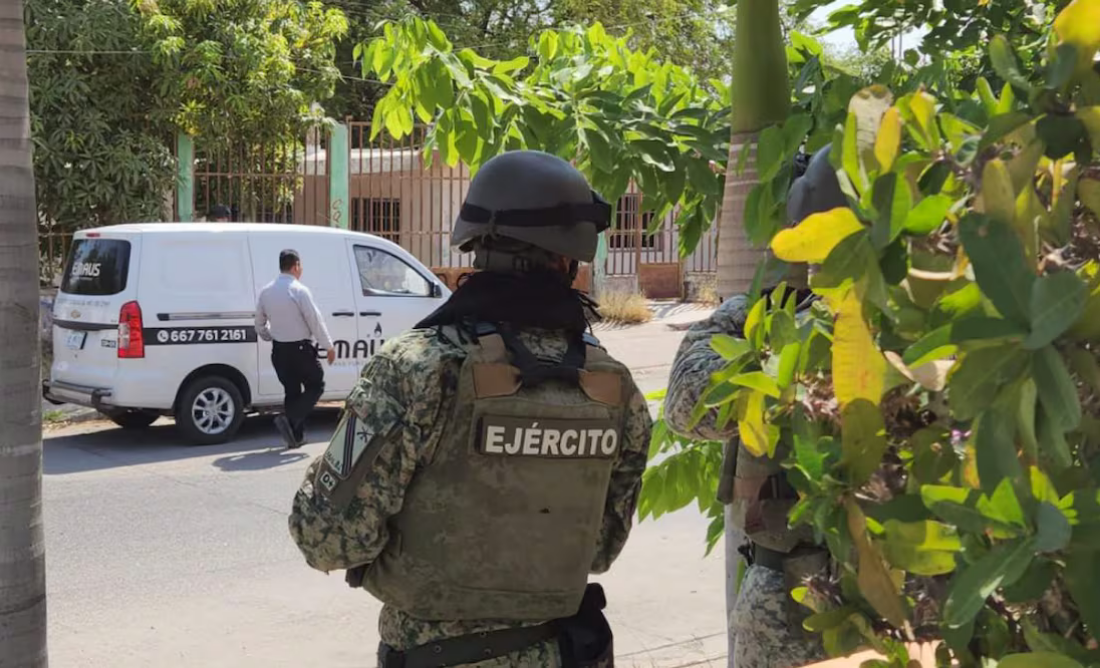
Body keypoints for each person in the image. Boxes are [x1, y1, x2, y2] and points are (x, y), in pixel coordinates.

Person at [287, 149, 653, 667]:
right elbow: (600, 550)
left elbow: (327, 538)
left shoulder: (418, 368)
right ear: (569, 257)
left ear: (477, 244)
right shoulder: (612, 386)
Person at [664, 145, 846, 668]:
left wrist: (746, 313)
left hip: (794, 608)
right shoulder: (946, 333)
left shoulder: (793, 332)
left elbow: (689, 407)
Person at [255, 249, 336, 449]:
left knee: (292, 391)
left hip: (279, 350)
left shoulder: (266, 292)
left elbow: (259, 324)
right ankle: (290, 419)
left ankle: (296, 437)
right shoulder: (299, 290)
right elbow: (314, 321)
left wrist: (270, 336)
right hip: (301, 350)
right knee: (316, 385)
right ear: (296, 266)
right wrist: (328, 346)